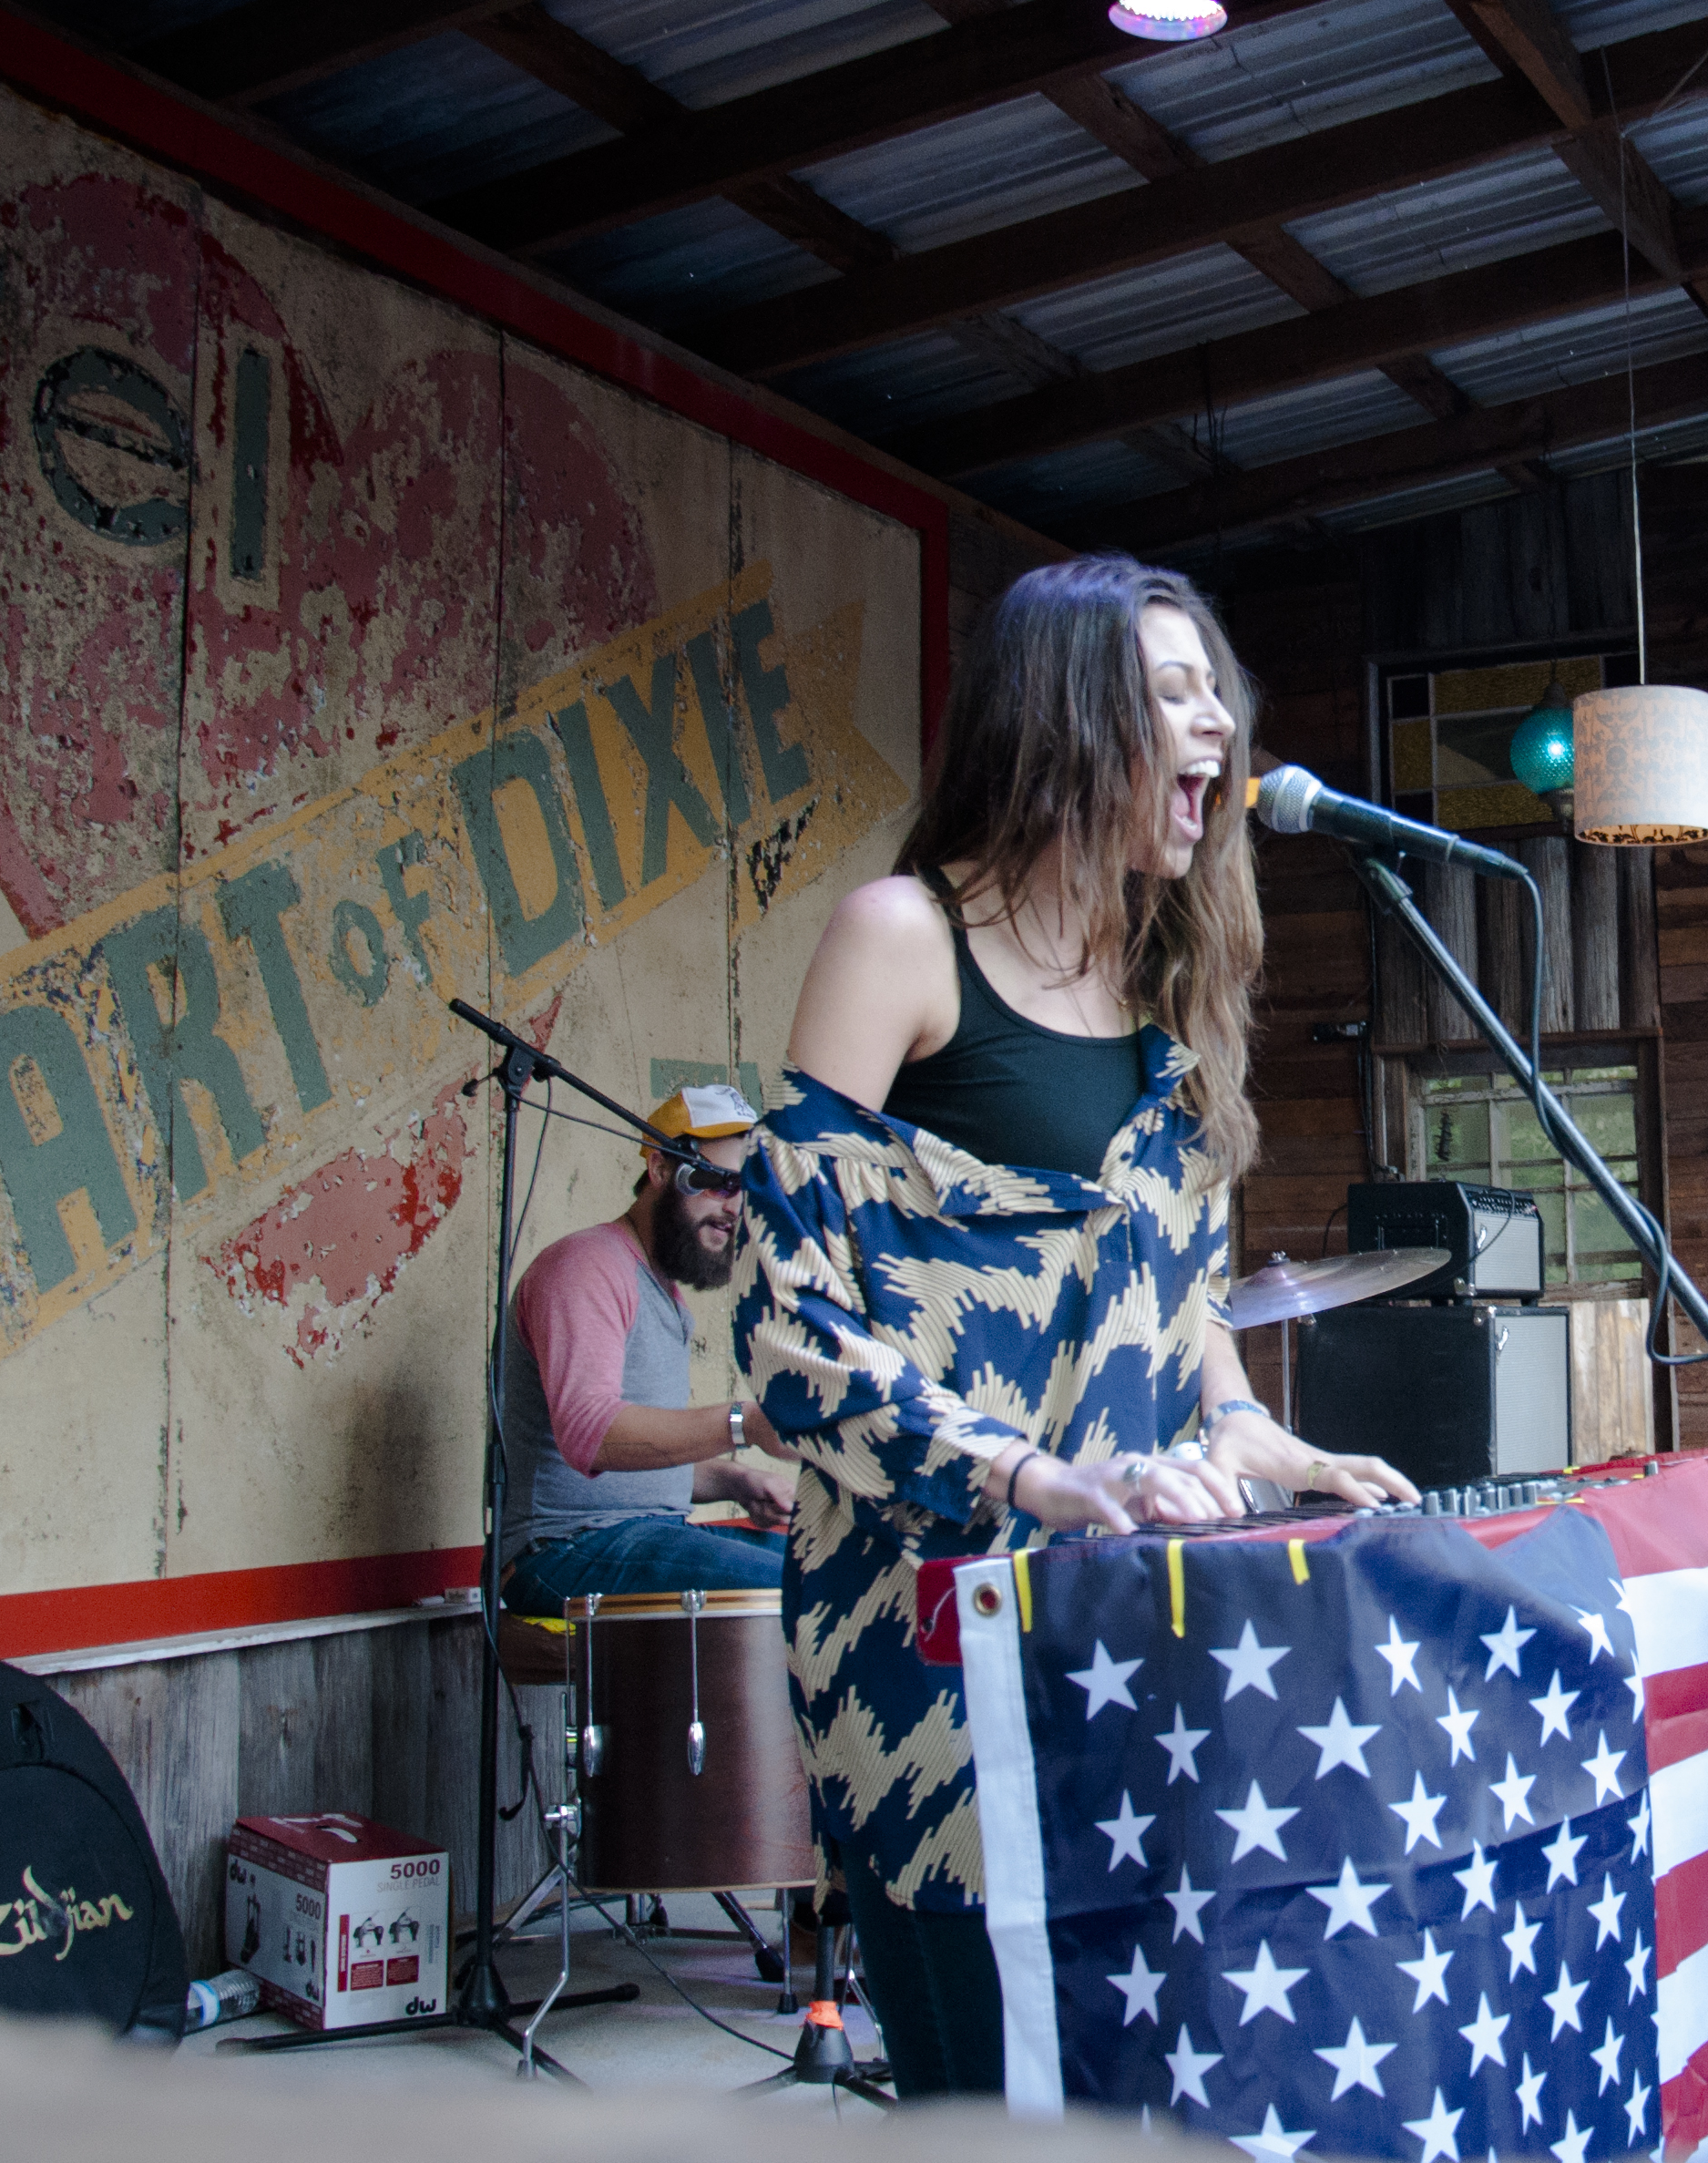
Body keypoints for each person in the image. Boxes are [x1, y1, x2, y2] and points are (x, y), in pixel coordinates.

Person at [734, 556, 1417, 2096]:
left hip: (1124, 1653)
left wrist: (1256, 1431)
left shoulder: (1175, 1000)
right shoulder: (899, 940)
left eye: (1215, 697)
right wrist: (1030, 1473)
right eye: (1173, 693)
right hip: (930, 1669)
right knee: (985, 2086)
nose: (1216, 728)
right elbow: (788, 1330)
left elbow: (1182, 1316)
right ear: (1064, 713)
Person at [500, 1083, 798, 1614]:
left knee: (832, 1568)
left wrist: (735, 1480)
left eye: (747, 1188)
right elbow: (591, 1440)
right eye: (715, 1182)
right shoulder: (586, 1267)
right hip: (563, 1552)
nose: (734, 1207)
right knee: (801, 1586)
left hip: (638, 1535)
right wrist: (744, 1422)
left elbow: (633, 1464)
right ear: (660, 1169)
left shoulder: (664, 1294)